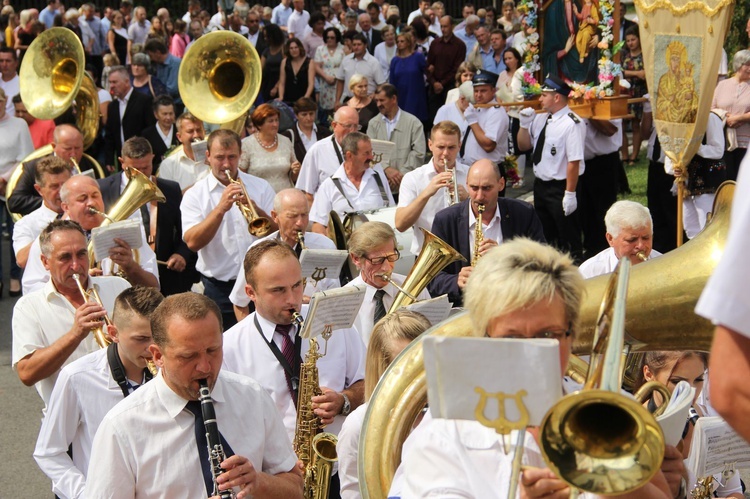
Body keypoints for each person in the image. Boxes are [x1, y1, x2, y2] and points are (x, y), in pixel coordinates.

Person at [398, 239, 677, 498]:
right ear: (485, 338)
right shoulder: (443, 432)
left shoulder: (618, 412)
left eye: (548, 335)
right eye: (511, 338)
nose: (530, 352)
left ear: (572, 334)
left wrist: (656, 486)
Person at [84, 292, 304, 497]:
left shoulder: (252, 396)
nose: (205, 367)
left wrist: (259, 482)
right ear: (158, 356)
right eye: (188, 356)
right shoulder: (122, 427)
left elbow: (296, 487)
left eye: (212, 350)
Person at [222, 238, 364, 446]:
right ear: (251, 293)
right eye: (278, 290)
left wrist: (345, 400)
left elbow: (369, 381)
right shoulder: (230, 347)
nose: (292, 299)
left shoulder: (333, 322)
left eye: (298, 285)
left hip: (338, 460)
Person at [33, 286, 164, 499]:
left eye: (158, 336)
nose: (152, 348)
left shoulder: (170, 369)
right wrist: (86, 494)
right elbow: (49, 452)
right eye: (141, 339)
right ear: (113, 334)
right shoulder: (77, 377)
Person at [12, 220, 131, 407]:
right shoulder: (28, 307)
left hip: (122, 406)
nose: (76, 266)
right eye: (65, 257)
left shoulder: (119, 287)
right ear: (45, 262)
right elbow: (27, 373)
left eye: (81, 254)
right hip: (69, 420)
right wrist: (76, 333)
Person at [181, 129, 277, 330]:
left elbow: (278, 233)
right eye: (219, 157)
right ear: (207, 156)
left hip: (261, 284)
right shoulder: (195, 195)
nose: (226, 164)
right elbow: (192, 242)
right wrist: (220, 208)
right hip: (219, 289)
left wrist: (255, 207)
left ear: (240, 155)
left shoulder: (260, 186)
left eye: (232, 157)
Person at [337, 310, 430, 498]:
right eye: (405, 364)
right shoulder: (358, 425)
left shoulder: (442, 416)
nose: (419, 373)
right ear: (383, 368)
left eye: (422, 360)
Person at [428, 159, 544, 306]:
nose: (479, 196)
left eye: (487, 188)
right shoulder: (445, 220)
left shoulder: (523, 213)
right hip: (466, 309)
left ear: (501, 184)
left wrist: (507, 257)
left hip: (513, 303)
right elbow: (432, 280)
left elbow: (542, 263)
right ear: (467, 184)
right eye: (474, 188)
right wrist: (456, 281)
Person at [22, 175, 160, 294]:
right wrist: (75, 280)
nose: (91, 203)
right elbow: (31, 289)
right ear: (66, 207)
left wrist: (131, 266)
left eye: (95, 196)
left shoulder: (125, 231)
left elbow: (154, 287)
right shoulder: (49, 238)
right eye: (82, 199)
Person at [637, 351, 744, 499]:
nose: (691, 392)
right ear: (648, 374)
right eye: (677, 381)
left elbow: (733, 491)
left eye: (698, 379)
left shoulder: (711, 419)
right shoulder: (629, 429)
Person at [99, 137, 197, 296]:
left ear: (152, 158)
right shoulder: (104, 188)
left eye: (145, 168)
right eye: (133, 169)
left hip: (165, 275)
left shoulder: (170, 189)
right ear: (121, 162)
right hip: (119, 277)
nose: (140, 174)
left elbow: (185, 229)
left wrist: (182, 254)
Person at [229, 188, 339, 321]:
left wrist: (314, 304)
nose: (300, 223)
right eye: (292, 216)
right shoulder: (257, 251)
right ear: (275, 216)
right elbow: (239, 302)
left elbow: (335, 298)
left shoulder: (325, 246)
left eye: (304, 215)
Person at [518, 75, 586, 262]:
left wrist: (570, 193)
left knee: (568, 235)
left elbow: (574, 161)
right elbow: (523, 146)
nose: (540, 99)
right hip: (541, 186)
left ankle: (575, 269)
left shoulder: (572, 123)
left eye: (544, 95)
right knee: (544, 234)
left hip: (561, 186)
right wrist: (524, 125)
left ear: (556, 97)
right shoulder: (540, 119)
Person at [344, 221, 430, 343]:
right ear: (356, 259)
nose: (386, 268)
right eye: (377, 260)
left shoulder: (413, 288)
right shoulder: (345, 300)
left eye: (391, 257)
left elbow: (431, 334)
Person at [395, 120, 469, 254]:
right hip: (428, 256)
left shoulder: (471, 174)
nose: (446, 153)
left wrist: (469, 199)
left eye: (451, 147)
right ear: (430, 145)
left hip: (464, 253)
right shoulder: (413, 178)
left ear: (459, 146)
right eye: (441, 147)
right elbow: (400, 224)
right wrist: (426, 193)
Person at [310, 132, 393, 234]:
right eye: (366, 153)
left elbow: (393, 213)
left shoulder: (379, 179)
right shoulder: (329, 186)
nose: (371, 157)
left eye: (371, 152)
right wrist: (329, 247)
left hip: (378, 245)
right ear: (349, 155)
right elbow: (318, 225)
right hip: (346, 248)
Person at [7, 124, 97, 217]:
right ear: (54, 146)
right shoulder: (34, 167)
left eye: (78, 148)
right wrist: (52, 202)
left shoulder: (91, 165)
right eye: (68, 149)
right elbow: (15, 202)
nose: (73, 154)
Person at [665, 111, 727, 240]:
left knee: (708, 226)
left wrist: (694, 146)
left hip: (707, 181)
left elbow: (717, 150)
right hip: (686, 184)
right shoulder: (676, 119)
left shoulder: (709, 117)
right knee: (690, 227)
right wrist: (674, 167)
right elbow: (669, 151)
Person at [12, 156, 70, 269]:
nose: (61, 191)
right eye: (54, 186)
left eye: (64, 184)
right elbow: (22, 260)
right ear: (39, 190)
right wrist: (60, 225)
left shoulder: (84, 214)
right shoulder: (25, 224)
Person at [578, 200, 661, 278]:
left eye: (646, 238)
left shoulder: (662, 263)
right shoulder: (590, 272)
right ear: (610, 239)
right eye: (631, 240)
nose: (641, 246)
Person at [366, 83, 426, 192]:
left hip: (407, 185)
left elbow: (418, 153)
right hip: (380, 186)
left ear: (393, 99)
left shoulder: (413, 122)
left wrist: (400, 176)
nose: (378, 104)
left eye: (382, 100)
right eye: (376, 101)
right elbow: (369, 152)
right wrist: (386, 169)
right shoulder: (373, 124)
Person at [578, 117, 623, 257]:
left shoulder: (604, 102)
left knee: (603, 211)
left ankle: (607, 251)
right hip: (580, 163)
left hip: (603, 162)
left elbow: (610, 130)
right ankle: (591, 249)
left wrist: (587, 111)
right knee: (584, 211)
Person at [295, 106, 361, 202]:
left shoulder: (365, 150)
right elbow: (307, 194)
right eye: (348, 126)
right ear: (334, 125)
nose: (352, 131)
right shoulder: (317, 151)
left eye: (356, 126)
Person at [239, 104, 300, 193]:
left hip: (285, 198)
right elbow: (240, 175)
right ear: (259, 125)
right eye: (270, 121)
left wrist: (296, 171)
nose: (275, 124)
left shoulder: (286, 141)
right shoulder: (246, 144)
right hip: (258, 198)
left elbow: (293, 176)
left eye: (276, 120)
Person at [104, 66, 156, 169]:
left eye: (115, 82)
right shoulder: (112, 106)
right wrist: (109, 159)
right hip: (123, 161)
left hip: (141, 159)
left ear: (127, 82)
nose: (111, 86)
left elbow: (150, 129)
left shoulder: (144, 101)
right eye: (110, 82)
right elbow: (110, 134)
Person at [712, 50, 750, 180]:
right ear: (739, 65)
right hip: (722, 141)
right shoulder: (722, 85)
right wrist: (726, 117)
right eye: (748, 65)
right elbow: (711, 108)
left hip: (745, 144)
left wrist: (740, 118)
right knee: (725, 180)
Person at [460, 69, 509, 166]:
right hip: (470, 167)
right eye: (476, 91)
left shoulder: (496, 112)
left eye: (483, 91)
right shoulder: (476, 109)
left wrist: (473, 121)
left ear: (493, 91)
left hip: (488, 170)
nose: (478, 95)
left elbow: (488, 145)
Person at [426, 16, 466, 122]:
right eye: (441, 26)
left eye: (445, 26)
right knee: (434, 120)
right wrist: (434, 83)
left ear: (452, 26)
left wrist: (442, 84)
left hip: (450, 87)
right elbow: (429, 66)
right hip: (434, 89)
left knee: (450, 119)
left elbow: (457, 69)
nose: (443, 29)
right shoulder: (435, 44)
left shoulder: (459, 45)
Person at [496, 48, 526, 186]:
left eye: (510, 58)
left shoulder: (524, 73)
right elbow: (498, 93)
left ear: (517, 59)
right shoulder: (503, 74)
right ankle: (511, 176)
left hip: (521, 113)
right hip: (507, 113)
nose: (508, 61)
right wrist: (504, 105)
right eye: (505, 59)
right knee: (509, 146)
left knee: (520, 146)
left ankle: (519, 177)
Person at [157, 111, 207, 192]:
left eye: (199, 130)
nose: (196, 135)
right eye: (190, 131)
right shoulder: (168, 165)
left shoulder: (217, 159)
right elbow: (169, 200)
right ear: (179, 137)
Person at [335, 33, 386, 107]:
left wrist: (374, 95)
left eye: (359, 44)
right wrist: (337, 100)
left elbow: (381, 84)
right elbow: (340, 80)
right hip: (348, 101)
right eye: (354, 45)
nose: (356, 47)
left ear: (365, 45)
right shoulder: (346, 60)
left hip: (368, 102)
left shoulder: (373, 62)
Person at [620, 25, 647, 166]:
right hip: (625, 93)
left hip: (639, 92)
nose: (631, 43)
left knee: (636, 125)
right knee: (622, 125)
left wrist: (640, 75)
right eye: (628, 40)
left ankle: (634, 156)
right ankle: (624, 155)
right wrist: (637, 73)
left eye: (633, 39)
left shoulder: (645, 55)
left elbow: (647, 74)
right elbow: (620, 71)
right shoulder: (623, 54)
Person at [389, 31, 428, 124]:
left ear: (408, 42)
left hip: (416, 95)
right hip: (401, 96)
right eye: (398, 41)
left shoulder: (418, 57)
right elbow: (392, 81)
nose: (399, 43)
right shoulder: (395, 61)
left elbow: (427, 73)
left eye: (402, 41)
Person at [655, 40, 698, 124]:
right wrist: (678, 97)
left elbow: (690, 90)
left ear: (680, 61)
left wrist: (690, 95)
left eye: (677, 59)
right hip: (669, 108)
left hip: (683, 106)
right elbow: (663, 100)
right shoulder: (664, 79)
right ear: (669, 61)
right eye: (673, 59)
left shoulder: (684, 77)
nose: (675, 62)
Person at [281, 97, 331, 165]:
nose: (308, 118)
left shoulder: (325, 133)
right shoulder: (288, 136)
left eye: (311, 114)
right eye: (304, 114)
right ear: (296, 115)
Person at [314, 27, 346, 126]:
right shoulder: (320, 49)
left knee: (337, 108)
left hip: (339, 83)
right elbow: (316, 66)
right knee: (325, 113)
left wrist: (336, 77)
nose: (330, 40)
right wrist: (326, 77)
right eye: (327, 37)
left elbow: (345, 65)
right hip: (325, 83)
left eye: (332, 37)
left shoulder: (343, 49)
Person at [141, 95, 179, 171]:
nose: (168, 117)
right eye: (165, 114)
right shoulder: (147, 134)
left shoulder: (179, 130)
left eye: (171, 113)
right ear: (156, 114)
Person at [144, 38, 182, 109]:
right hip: (162, 103)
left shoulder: (175, 63)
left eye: (151, 56)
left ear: (158, 53)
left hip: (175, 105)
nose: (151, 59)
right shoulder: (158, 64)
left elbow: (172, 89)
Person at [277, 37, 315, 107]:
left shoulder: (309, 62)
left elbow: (311, 84)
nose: (294, 50)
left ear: (300, 48)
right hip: (289, 99)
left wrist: (305, 98)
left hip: (305, 99)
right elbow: (282, 83)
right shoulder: (284, 62)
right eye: (291, 48)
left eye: (296, 47)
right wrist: (281, 96)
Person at [0, 47, 20, 116]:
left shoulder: (22, 84)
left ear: (16, 63)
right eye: (1, 61)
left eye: (8, 61)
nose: (4, 65)